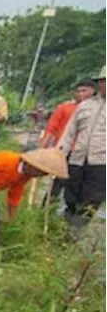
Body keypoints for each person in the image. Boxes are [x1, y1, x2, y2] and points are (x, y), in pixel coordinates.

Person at [58, 66, 107, 234]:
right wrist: (60, 154)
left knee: (92, 201)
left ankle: (75, 234)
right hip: (77, 159)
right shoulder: (85, 106)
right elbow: (70, 132)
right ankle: (65, 228)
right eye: (102, 81)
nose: (104, 85)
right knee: (70, 197)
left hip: (101, 164)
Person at [41, 79, 96, 216]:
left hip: (84, 155)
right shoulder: (64, 108)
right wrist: (42, 148)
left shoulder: (98, 111)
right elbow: (51, 128)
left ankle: (71, 215)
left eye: (84, 91)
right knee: (56, 184)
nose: (80, 94)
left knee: (76, 186)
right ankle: (45, 212)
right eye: (77, 91)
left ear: (93, 92)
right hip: (63, 151)